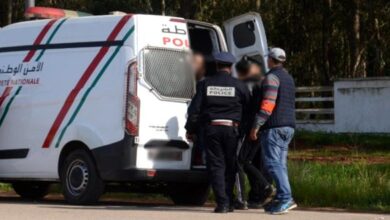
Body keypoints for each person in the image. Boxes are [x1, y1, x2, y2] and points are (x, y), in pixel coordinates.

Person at [185, 52, 250, 213]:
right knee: (231, 165)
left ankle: (223, 204)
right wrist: (243, 131)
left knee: (216, 166)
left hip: (211, 130)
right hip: (232, 130)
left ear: (216, 65)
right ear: (231, 66)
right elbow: (249, 110)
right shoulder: (240, 85)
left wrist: (190, 129)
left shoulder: (206, 83)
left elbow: (194, 110)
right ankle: (229, 200)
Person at [249, 47, 297, 214]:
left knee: (272, 163)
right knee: (280, 165)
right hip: (288, 127)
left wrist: (256, 125)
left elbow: (268, 103)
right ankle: (282, 199)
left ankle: (285, 198)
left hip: (274, 128)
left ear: (270, 59)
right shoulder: (288, 78)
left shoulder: (272, 77)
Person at [234, 56, 275, 210]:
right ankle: (257, 195)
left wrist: (252, 127)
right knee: (256, 162)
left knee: (242, 160)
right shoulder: (265, 83)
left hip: (254, 128)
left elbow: (253, 109)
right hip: (263, 128)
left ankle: (264, 188)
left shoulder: (258, 85)